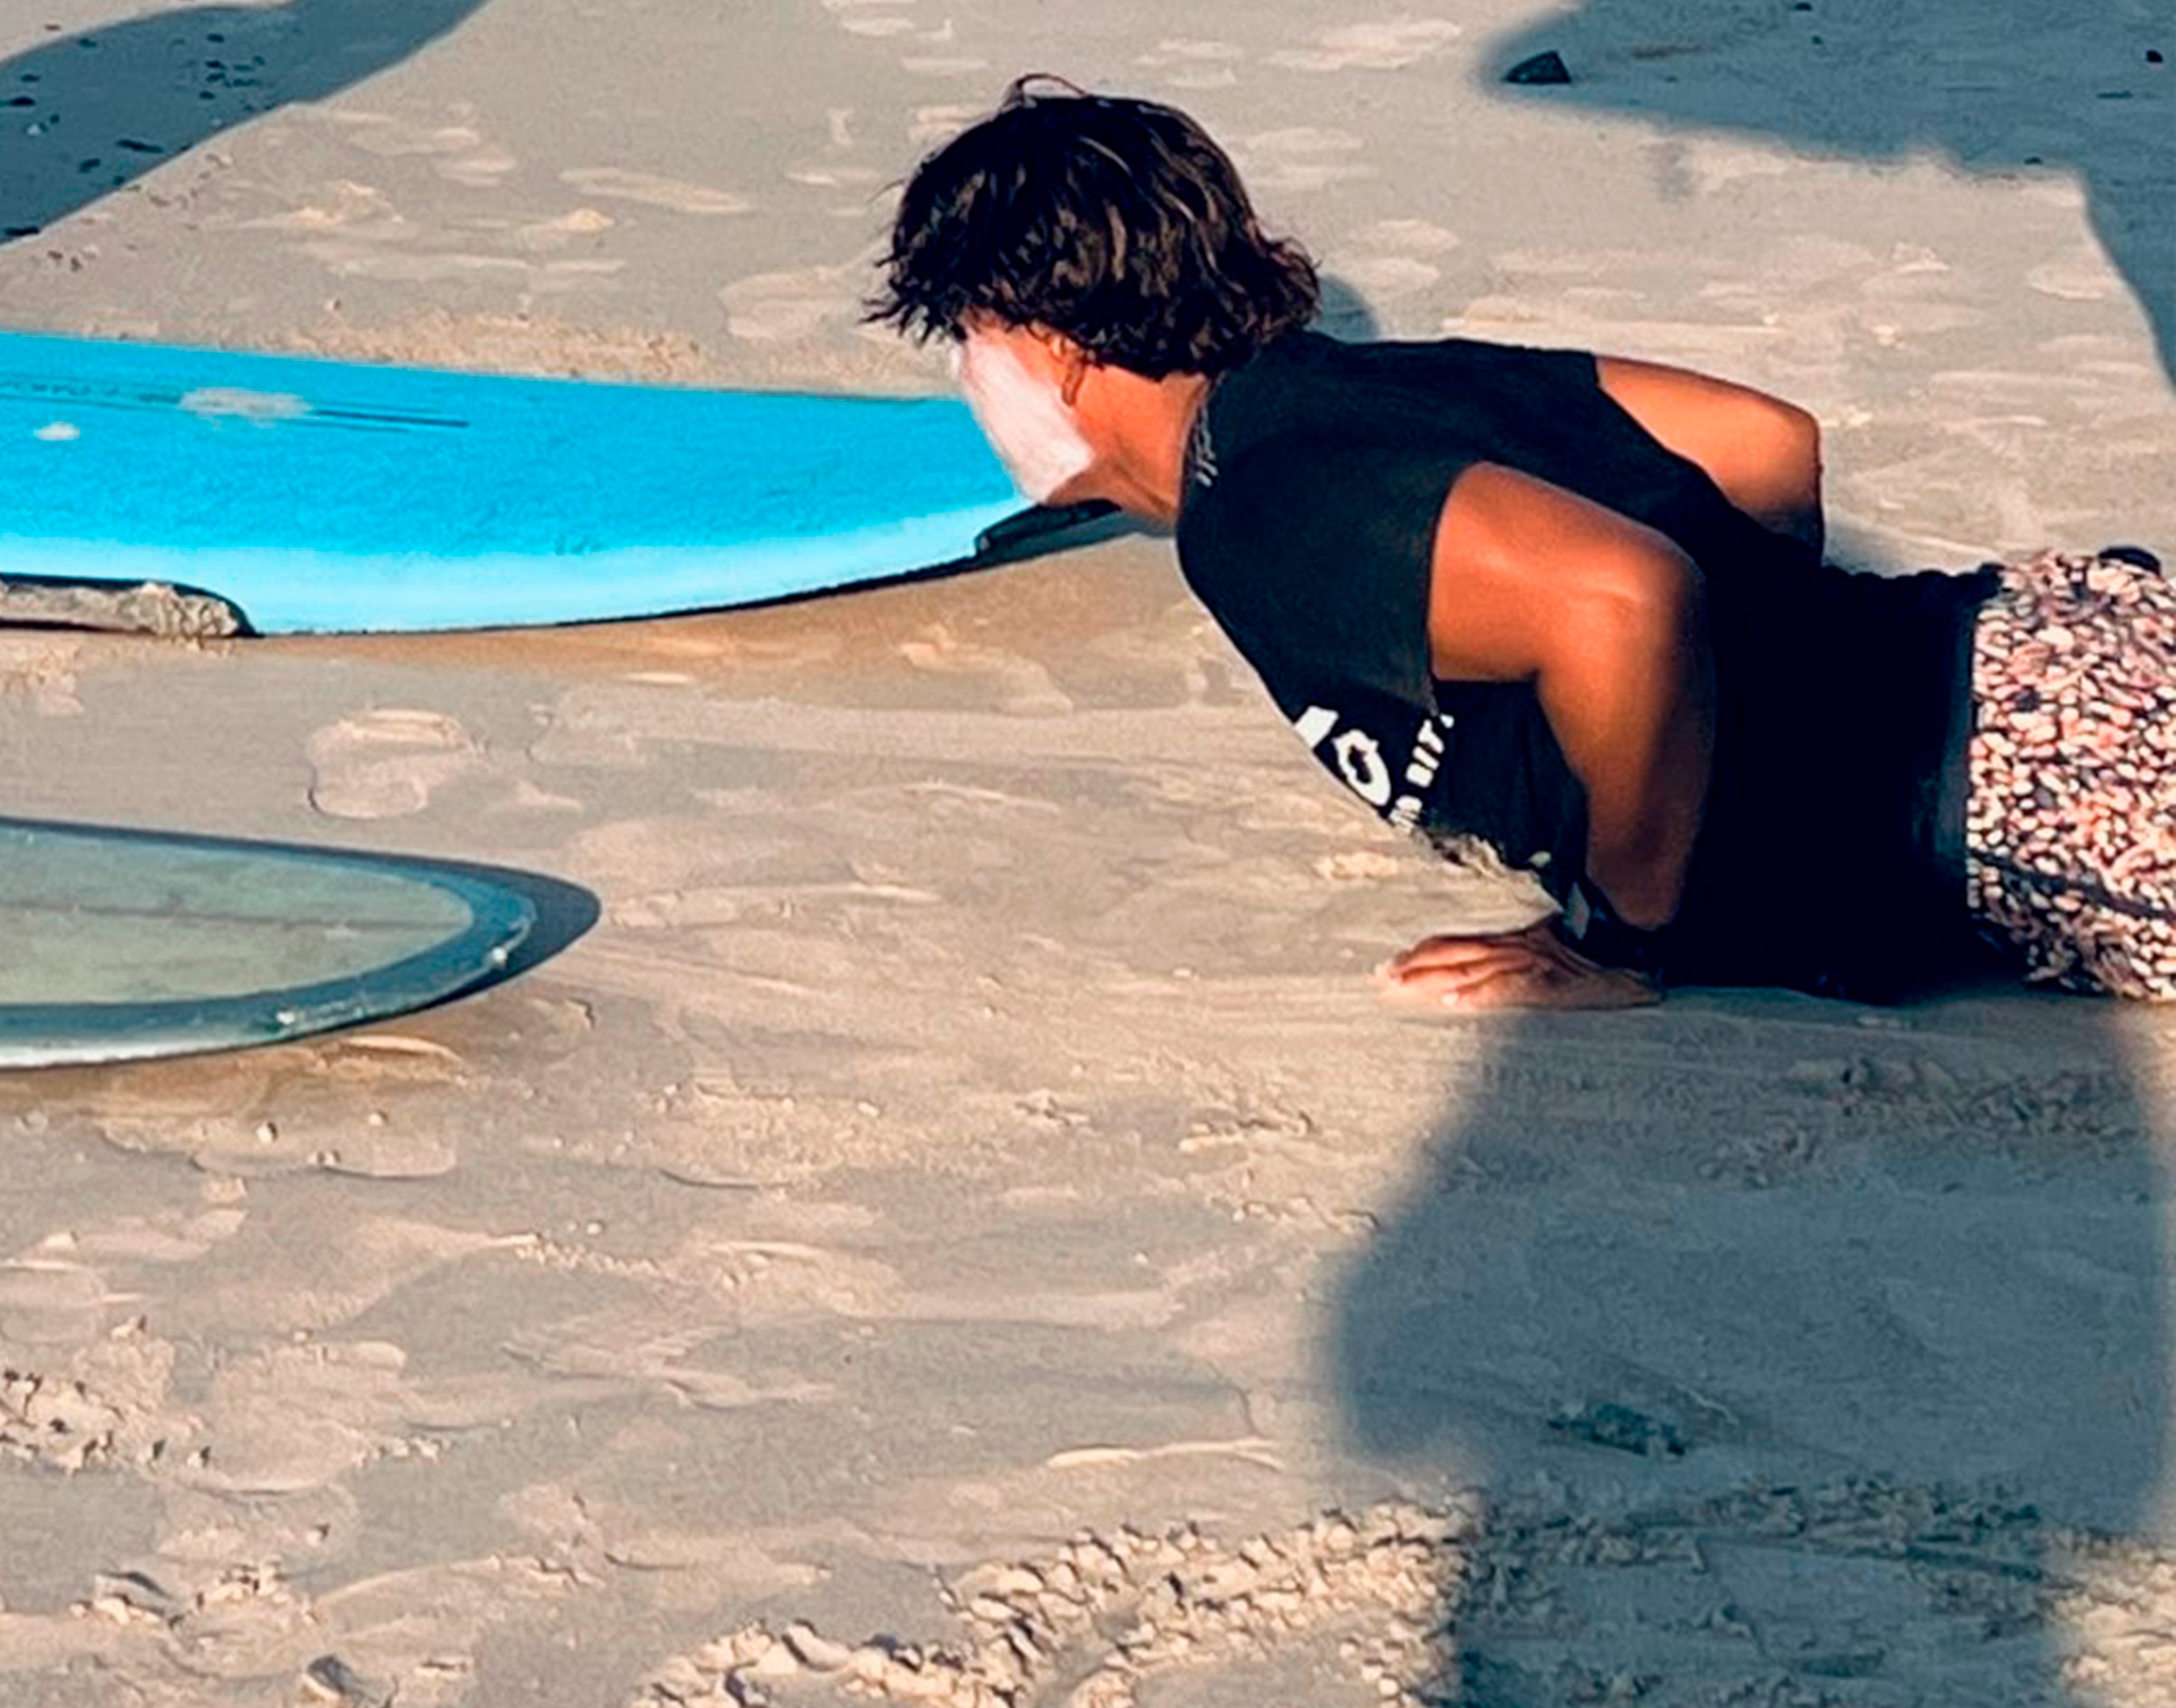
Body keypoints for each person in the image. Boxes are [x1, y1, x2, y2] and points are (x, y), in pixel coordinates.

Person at [871, 80, 2176, 1011]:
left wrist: (1635, 924)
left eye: (970, 343)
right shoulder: (1348, 384)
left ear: (1046, 344)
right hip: (2051, 641)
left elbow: (1620, 597)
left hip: (2028, 789)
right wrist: (1771, 690)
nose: (977, 384)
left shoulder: (1257, 512)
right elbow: (1762, 442)